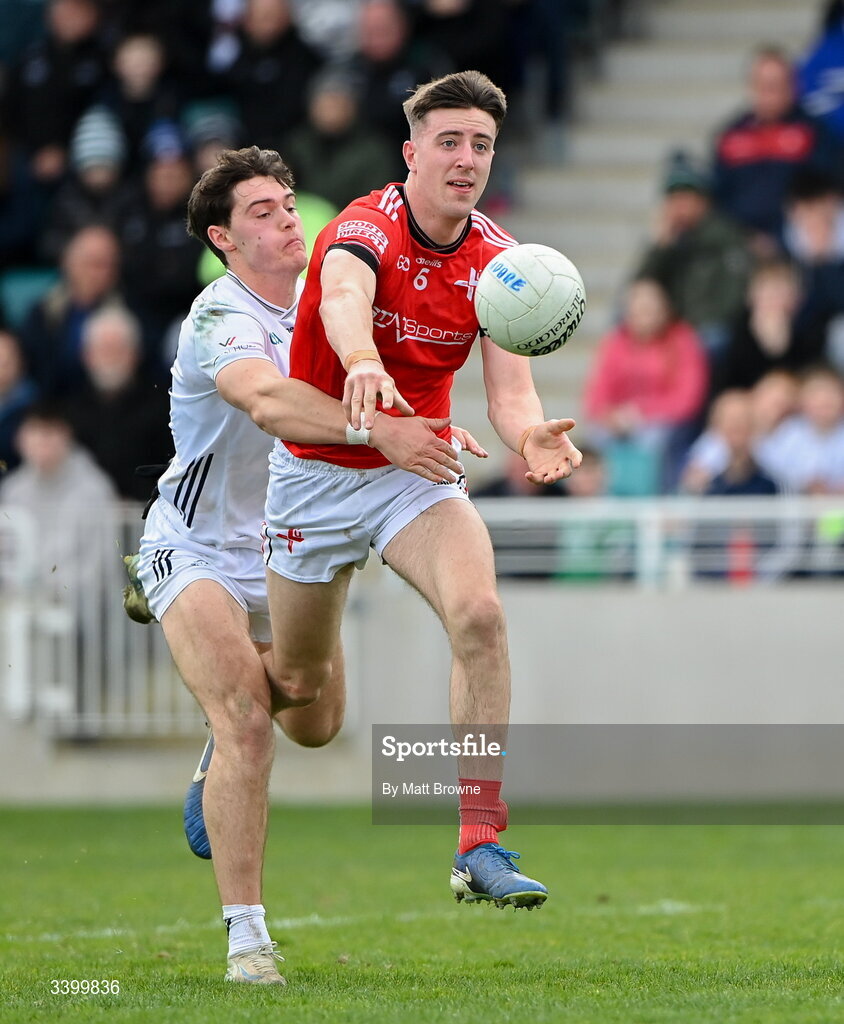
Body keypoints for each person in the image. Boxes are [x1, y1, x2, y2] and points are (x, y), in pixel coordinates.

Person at [131, 145, 477, 985]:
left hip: (294, 536)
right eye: (262, 211)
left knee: (314, 720)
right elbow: (269, 400)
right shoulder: (221, 315)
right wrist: (379, 429)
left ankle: (221, 746)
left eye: (288, 203)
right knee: (247, 718)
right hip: (197, 542)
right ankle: (247, 941)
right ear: (225, 239)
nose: (287, 217)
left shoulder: (336, 293)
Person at [261, 71, 581, 923]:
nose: (466, 158)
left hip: (416, 471)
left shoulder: (498, 260)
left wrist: (530, 435)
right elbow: (342, 297)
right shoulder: (365, 227)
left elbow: (510, 392)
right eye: (450, 141)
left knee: (480, 615)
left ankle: (478, 843)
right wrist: (362, 363)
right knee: (301, 700)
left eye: (481, 144)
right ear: (411, 153)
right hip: (316, 473)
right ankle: (223, 732)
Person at [583, 277, 709, 494]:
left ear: (665, 310)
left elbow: (688, 397)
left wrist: (642, 412)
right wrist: (611, 416)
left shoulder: (682, 340)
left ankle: (653, 503)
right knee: (594, 437)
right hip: (620, 422)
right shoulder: (615, 342)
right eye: (638, 308)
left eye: (650, 308)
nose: (644, 315)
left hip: (663, 423)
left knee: (652, 439)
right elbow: (596, 395)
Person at [711, 46, 842, 255]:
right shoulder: (731, 136)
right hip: (739, 241)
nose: (768, 93)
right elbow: (717, 197)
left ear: (792, 87)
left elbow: (825, 188)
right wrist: (745, 237)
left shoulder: (813, 132)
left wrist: (782, 235)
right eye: (762, 85)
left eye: (775, 85)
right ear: (751, 86)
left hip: (797, 237)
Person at [633, 149, 751, 359]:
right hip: (672, 328)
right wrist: (660, 248)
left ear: (703, 200)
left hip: (707, 329)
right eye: (673, 198)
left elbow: (734, 297)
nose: (679, 205)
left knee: (710, 340)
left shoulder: (725, 237)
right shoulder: (668, 241)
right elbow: (642, 287)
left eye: (685, 197)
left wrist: (687, 330)